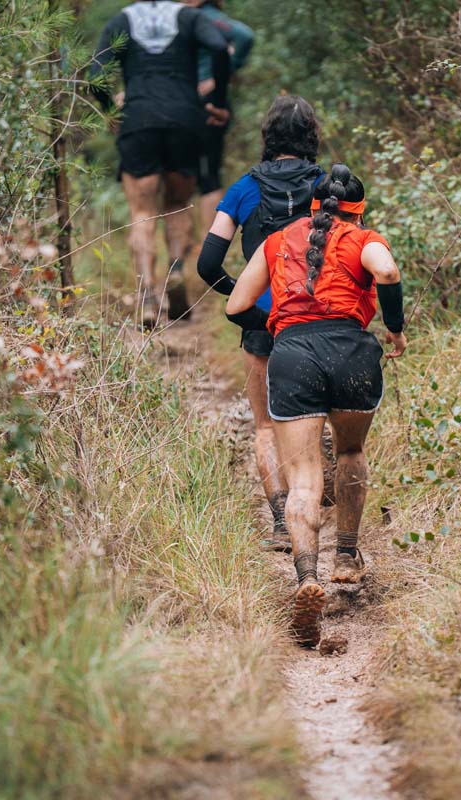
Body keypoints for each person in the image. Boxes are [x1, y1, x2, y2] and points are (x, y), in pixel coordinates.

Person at [225, 164, 407, 646]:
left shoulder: (277, 241)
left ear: (311, 206)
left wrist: (280, 323)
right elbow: (387, 271)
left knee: (304, 478)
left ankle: (307, 577)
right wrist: (395, 328)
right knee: (349, 452)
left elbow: (235, 306)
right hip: (352, 353)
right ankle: (345, 555)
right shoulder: (363, 238)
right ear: (359, 211)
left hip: (293, 357)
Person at [197, 96, 324, 553]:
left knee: (267, 426)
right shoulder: (328, 186)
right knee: (318, 418)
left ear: (268, 136)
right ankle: (317, 509)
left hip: (264, 320)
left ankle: (280, 521)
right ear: (311, 136)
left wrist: (245, 296)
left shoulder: (242, 190)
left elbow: (207, 264)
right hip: (319, 315)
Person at [89, 1, 232, 327]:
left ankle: (147, 297)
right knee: (177, 204)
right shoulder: (190, 17)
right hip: (184, 119)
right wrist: (218, 100)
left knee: (142, 211)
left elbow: (95, 77)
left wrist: (111, 110)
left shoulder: (122, 20)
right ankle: (175, 272)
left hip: (138, 119)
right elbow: (219, 47)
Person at [185, 0, 255, 233]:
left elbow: (244, 36)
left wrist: (217, 77)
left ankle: (202, 244)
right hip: (192, 104)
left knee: (198, 175)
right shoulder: (185, 16)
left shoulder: (207, 16)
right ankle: (204, 243)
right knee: (204, 175)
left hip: (201, 104)